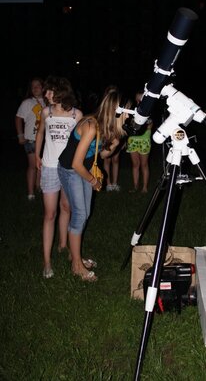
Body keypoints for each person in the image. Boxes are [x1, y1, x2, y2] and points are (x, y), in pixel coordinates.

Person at [58, 90, 130, 282]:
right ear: (116, 111)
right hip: (70, 170)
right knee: (80, 214)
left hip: (84, 169)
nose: (130, 114)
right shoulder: (90, 126)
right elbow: (75, 163)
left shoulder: (108, 129)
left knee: (85, 213)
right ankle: (76, 265)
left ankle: (74, 255)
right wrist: (94, 180)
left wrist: (114, 145)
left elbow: (102, 154)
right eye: (128, 111)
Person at [35, 76, 83, 279]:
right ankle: (47, 262)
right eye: (45, 91)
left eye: (49, 91)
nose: (45, 95)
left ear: (61, 91)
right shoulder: (46, 112)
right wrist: (37, 156)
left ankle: (64, 246)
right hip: (50, 167)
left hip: (69, 168)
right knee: (49, 214)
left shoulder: (76, 114)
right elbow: (40, 134)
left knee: (67, 207)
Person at [15, 77, 46, 200]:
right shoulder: (27, 103)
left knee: (43, 165)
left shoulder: (48, 102)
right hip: (31, 139)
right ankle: (30, 193)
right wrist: (20, 135)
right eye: (33, 86)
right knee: (33, 165)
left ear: (43, 87)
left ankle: (39, 187)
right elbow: (18, 118)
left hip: (45, 140)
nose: (35, 88)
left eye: (38, 85)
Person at [126, 90, 153, 193]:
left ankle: (145, 188)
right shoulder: (133, 111)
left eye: (140, 99)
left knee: (144, 164)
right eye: (137, 100)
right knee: (135, 164)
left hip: (144, 140)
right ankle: (135, 186)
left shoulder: (149, 110)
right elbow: (129, 125)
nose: (138, 102)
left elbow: (150, 126)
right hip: (133, 140)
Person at [102, 85, 122, 192]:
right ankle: (108, 183)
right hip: (107, 137)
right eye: (110, 93)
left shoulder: (119, 109)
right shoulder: (104, 109)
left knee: (116, 160)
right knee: (107, 160)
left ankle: (115, 183)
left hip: (117, 137)